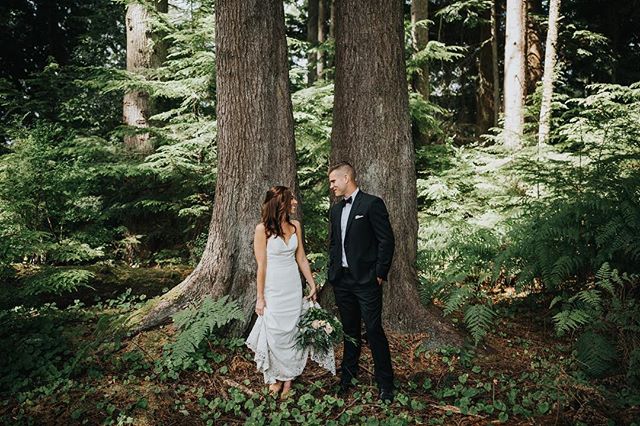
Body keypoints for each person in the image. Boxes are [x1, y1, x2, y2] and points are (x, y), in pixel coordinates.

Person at [327, 162, 395, 403]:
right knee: (349, 330)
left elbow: (386, 241)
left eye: (334, 181)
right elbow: (335, 244)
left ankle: (386, 384)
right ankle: (347, 377)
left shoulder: (371, 204)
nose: (332, 185)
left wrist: (379, 273)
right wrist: (332, 271)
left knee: (374, 330)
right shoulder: (335, 210)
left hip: (367, 280)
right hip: (342, 281)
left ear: (347, 178)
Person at [245, 186, 319, 397]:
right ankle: (275, 377)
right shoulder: (263, 230)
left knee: (292, 331)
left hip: (292, 285)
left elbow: (301, 258)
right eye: (291, 199)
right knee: (276, 333)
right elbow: (262, 265)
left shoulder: (295, 226)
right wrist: (260, 298)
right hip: (273, 287)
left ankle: (288, 380)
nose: (295, 202)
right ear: (280, 203)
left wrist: (311, 283)